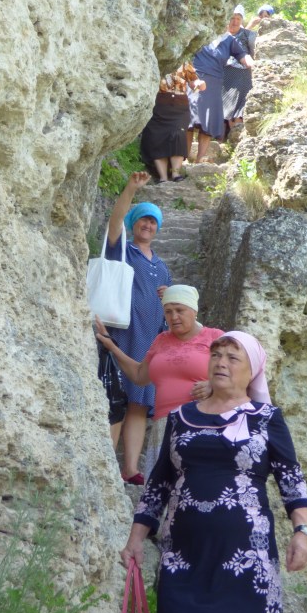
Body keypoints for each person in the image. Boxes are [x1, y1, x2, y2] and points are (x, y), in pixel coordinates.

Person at [120, 330, 307, 613]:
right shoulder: (180, 418)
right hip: (183, 555)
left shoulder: (267, 419)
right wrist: (136, 538)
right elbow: (159, 484)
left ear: (251, 370)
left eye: (232, 357)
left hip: (247, 559)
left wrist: (302, 533)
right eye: (216, 354)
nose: (221, 362)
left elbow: (293, 483)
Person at [96, 285, 223, 478]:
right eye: (168, 311)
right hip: (163, 426)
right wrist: (113, 348)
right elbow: (139, 375)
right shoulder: (161, 340)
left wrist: (213, 386)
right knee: (162, 488)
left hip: (201, 423)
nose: (174, 317)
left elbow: (243, 373)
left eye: (179, 310)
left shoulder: (216, 337)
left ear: (194, 310)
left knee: (195, 485)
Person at [105, 172, 171, 484]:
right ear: (135, 224)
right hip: (123, 331)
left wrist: (169, 296)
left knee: (139, 403)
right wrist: (131, 189)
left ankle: (130, 468)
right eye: (143, 219)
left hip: (150, 337)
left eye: (153, 221)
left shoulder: (162, 266)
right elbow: (114, 222)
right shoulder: (123, 249)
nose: (148, 225)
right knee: (117, 396)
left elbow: (172, 307)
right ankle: (106, 463)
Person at [187, 15, 256, 163]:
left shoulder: (229, 40)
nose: (230, 22)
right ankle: (184, 159)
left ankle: (199, 160)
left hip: (214, 83)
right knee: (189, 121)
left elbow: (242, 55)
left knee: (207, 123)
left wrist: (254, 64)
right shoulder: (201, 33)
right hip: (194, 79)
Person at [140, 63, 207, 183]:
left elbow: (193, 82)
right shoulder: (157, 59)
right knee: (157, 137)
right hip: (159, 104)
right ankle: (163, 177)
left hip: (179, 105)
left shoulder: (184, 64)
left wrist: (199, 84)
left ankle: (176, 174)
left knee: (178, 135)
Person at [221, 4, 258, 142]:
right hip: (223, 75)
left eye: (238, 18)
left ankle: (236, 139)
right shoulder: (220, 36)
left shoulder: (249, 35)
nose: (235, 22)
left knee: (239, 109)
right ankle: (222, 139)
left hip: (243, 76)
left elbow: (253, 55)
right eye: (232, 18)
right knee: (224, 107)